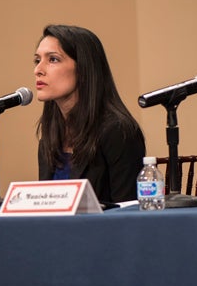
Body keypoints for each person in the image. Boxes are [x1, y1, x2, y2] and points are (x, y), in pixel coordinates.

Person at [34, 24, 145, 203]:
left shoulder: (118, 131)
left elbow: (128, 211)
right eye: (37, 60)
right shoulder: (49, 138)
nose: (38, 70)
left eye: (53, 59)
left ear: (84, 70)